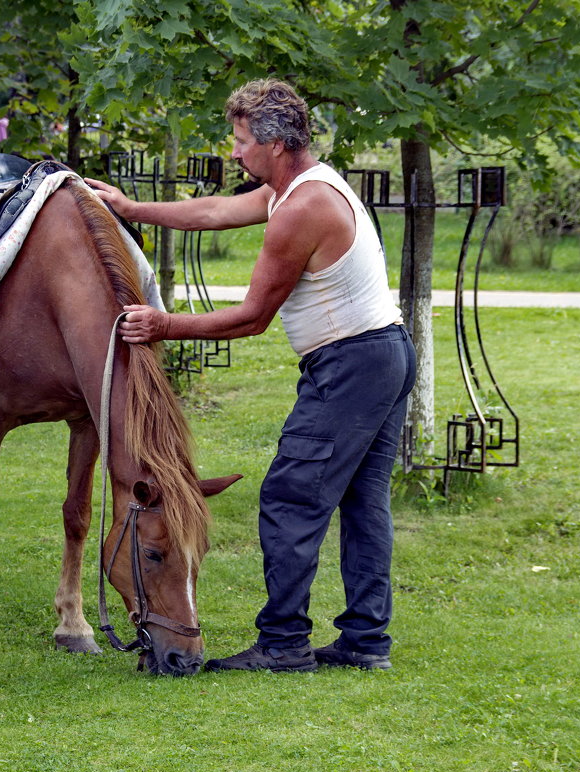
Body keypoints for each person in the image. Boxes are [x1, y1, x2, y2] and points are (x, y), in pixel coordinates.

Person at [86, 78, 416, 673]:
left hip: (351, 363)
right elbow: (214, 210)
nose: (234, 152)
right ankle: (367, 642)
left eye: (241, 141)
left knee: (291, 497)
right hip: (382, 353)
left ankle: (284, 643)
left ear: (276, 145)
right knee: (364, 503)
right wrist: (132, 210)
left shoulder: (303, 208)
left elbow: (253, 318)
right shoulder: (302, 186)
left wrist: (163, 325)